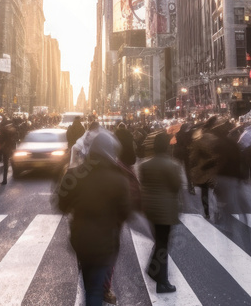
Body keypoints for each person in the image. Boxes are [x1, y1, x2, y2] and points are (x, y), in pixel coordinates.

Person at [57, 131, 131, 306]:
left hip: (80, 238)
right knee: (95, 289)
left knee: (89, 282)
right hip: (105, 242)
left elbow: (61, 205)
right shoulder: (119, 179)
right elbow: (126, 212)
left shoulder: (74, 174)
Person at [139, 132, 181, 294]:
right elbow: (176, 186)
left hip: (150, 209)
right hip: (166, 211)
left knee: (159, 242)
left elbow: (144, 183)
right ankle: (161, 280)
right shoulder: (172, 165)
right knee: (163, 245)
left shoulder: (145, 165)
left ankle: (156, 273)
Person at [0, 117, 18, 184]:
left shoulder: (3, 131)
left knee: (6, 164)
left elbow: (0, 140)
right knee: (12, 161)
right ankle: (14, 173)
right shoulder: (12, 130)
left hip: (5, 149)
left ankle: (5, 179)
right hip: (11, 148)